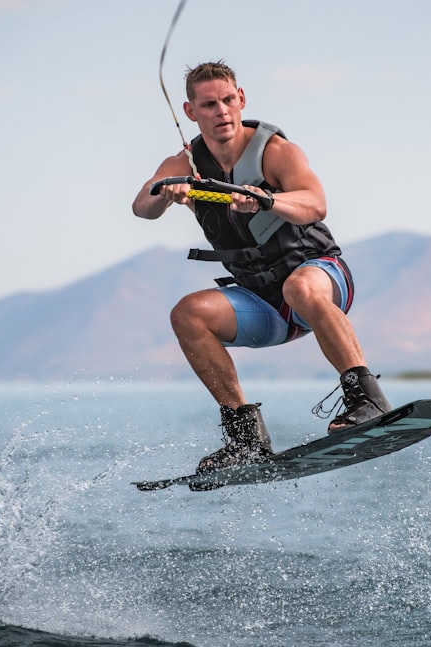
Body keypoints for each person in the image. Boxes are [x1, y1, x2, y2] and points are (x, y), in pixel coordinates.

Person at [132, 61, 390, 475]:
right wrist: (167, 192)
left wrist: (268, 200)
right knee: (187, 313)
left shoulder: (274, 151)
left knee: (299, 288)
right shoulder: (185, 162)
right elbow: (142, 208)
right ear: (190, 111)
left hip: (320, 277)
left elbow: (316, 204)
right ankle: (246, 438)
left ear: (242, 99)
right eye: (209, 104)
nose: (221, 112)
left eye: (228, 101)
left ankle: (368, 399)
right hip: (263, 302)